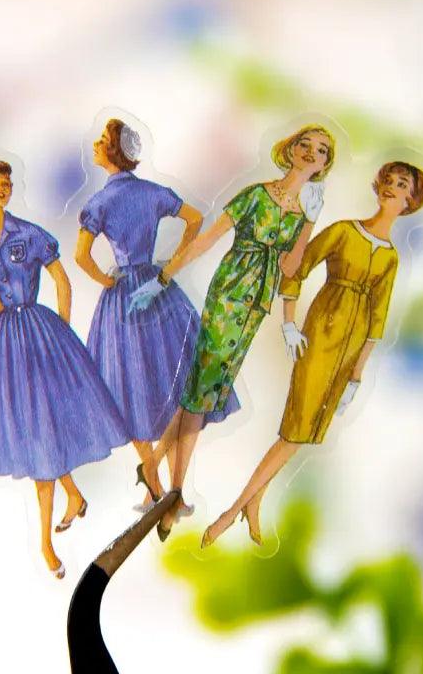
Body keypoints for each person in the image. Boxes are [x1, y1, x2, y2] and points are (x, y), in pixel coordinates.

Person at [200, 161, 423, 548]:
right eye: (388, 180)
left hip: (350, 348)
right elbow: (298, 267)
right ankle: (231, 512)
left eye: (401, 184)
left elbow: (378, 317)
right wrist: (289, 322)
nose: (391, 186)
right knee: (296, 429)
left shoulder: (390, 258)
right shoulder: (344, 231)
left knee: (302, 431)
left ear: (411, 200)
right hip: (320, 334)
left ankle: (252, 503)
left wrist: (357, 374)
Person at [128, 124, 337, 540]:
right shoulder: (256, 195)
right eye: (306, 145)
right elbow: (207, 240)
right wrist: (163, 279)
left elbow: (290, 267)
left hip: (256, 305)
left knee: (205, 390)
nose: (311, 153)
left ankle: (155, 472)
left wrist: (310, 223)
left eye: (322, 151)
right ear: (291, 149)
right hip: (229, 295)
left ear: (324, 166)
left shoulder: (304, 213)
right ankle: (172, 493)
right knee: (200, 392)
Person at [0, 158, 128, 579]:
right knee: (37, 431)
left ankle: (45, 543)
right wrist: (9, 339)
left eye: (6, 181)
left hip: (41, 332)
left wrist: (61, 329)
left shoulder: (30, 234)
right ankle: (73, 497)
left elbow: (61, 280)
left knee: (44, 433)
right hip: (8, 344)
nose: (1, 187)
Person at [75, 118, 238, 511]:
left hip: (123, 296)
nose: (95, 145)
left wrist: (107, 280)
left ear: (112, 150)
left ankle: (154, 480)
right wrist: (172, 263)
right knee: (173, 380)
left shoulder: (99, 203)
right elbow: (195, 219)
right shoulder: (151, 192)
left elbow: (81, 257)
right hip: (157, 285)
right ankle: (160, 485)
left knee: (129, 386)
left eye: (101, 139)